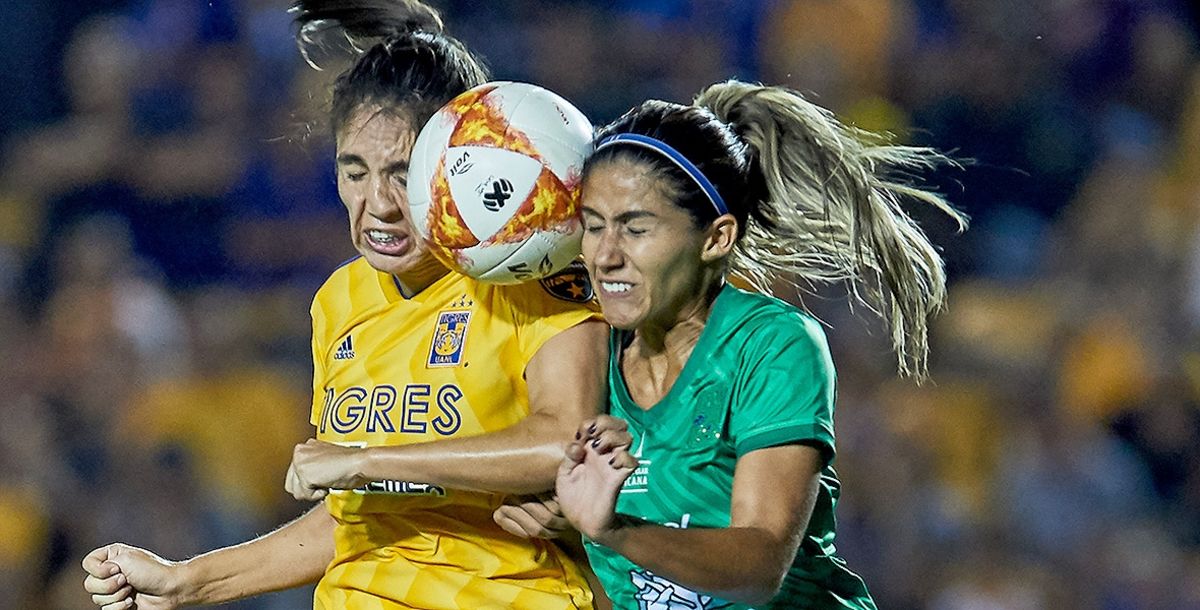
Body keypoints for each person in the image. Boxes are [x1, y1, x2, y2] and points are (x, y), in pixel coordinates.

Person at [80, 1, 609, 609]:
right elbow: (347, 522)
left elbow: (565, 446)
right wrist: (185, 581)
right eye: (354, 172)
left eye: (403, 174)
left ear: (453, 170)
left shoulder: (533, 278)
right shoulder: (339, 300)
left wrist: (366, 460)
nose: (377, 204)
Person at [503, 81, 966, 609]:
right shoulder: (584, 354)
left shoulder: (771, 345)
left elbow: (760, 565)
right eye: (593, 226)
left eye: (635, 229)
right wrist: (568, 533)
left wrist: (615, 531)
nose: (604, 255)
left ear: (716, 238)